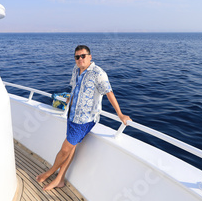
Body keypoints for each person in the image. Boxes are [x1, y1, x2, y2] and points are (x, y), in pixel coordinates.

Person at [36, 45, 131, 191]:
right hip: (72, 115)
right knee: (71, 149)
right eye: (77, 57)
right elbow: (74, 88)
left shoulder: (98, 73)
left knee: (64, 150)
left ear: (90, 56)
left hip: (84, 120)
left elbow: (109, 93)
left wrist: (120, 114)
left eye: (83, 56)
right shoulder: (75, 70)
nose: (80, 59)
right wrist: (70, 101)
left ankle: (49, 172)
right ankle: (60, 179)